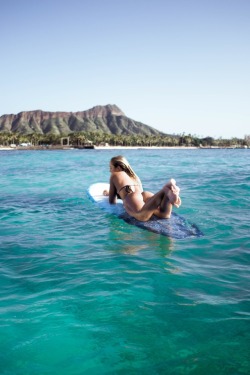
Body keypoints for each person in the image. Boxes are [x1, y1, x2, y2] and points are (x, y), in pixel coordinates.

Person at [103, 155, 181, 222]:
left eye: (111, 167)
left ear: (119, 168)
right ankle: (166, 192)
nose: (110, 170)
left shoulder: (115, 175)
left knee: (141, 216)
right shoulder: (134, 176)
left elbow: (112, 201)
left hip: (132, 197)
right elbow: (137, 195)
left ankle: (164, 190)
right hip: (144, 195)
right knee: (164, 214)